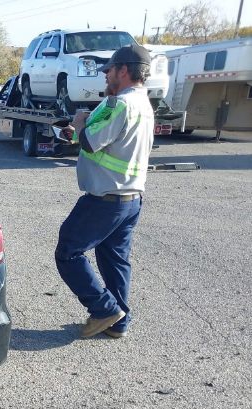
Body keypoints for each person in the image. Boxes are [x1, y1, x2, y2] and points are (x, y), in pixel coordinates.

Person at [55, 44, 155, 339]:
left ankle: (104, 310)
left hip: (105, 200)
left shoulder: (119, 104)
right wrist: (81, 132)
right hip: (131, 199)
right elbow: (109, 142)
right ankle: (118, 322)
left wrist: (79, 123)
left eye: (108, 70)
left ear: (123, 70)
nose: (105, 77)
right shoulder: (143, 104)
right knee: (114, 259)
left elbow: (90, 142)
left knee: (68, 252)